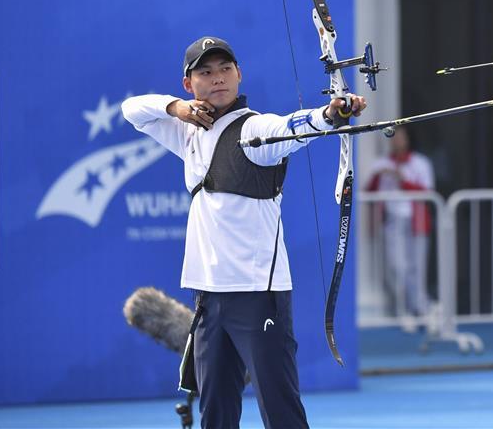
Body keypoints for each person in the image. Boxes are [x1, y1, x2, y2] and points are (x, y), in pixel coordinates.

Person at [121, 36, 367, 429]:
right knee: (215, 413)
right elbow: (132, 110)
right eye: (205, 72)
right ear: (188, 84)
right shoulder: (187, 132)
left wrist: (330, 114)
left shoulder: (255, 129)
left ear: (239, 74)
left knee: (281, 409)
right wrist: (176, 108)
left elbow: (292, 126)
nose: (217, 78)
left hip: (258, 296)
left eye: (225, 69)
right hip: (208, 296)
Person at [365, 126, 435, 330]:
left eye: (401, 137)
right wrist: (380, 175)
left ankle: (420, 308)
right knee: (396, 266)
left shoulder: (420, 163)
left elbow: (427, 192)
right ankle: (408, 308)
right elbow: (369, 190)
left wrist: (402, 180)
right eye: (394, 138)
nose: (397, 141)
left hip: (416, 221)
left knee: (417, 267)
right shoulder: (382, 164)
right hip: (392, 221)